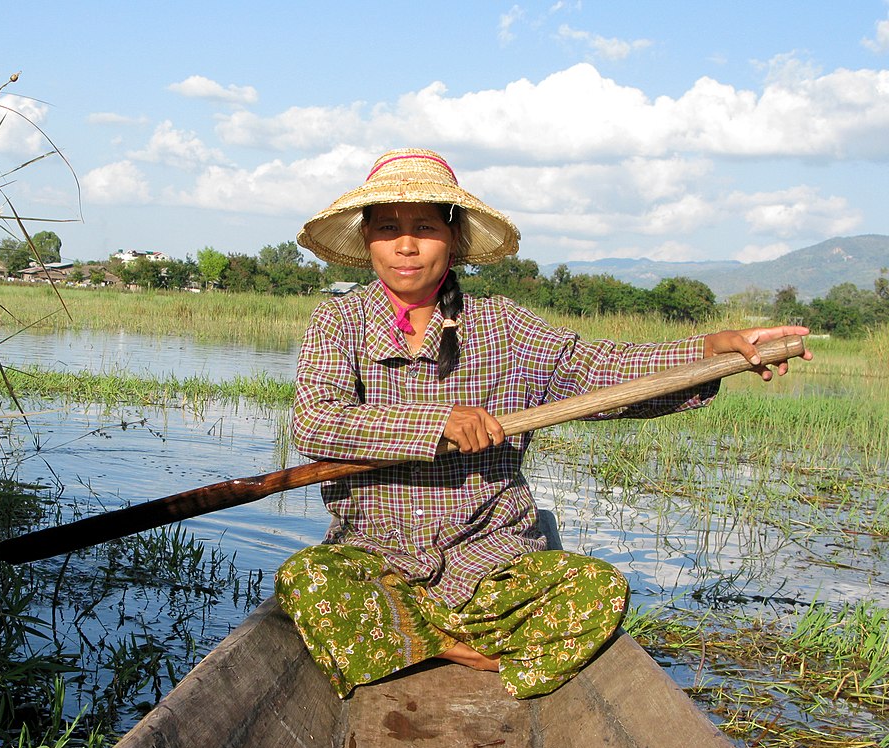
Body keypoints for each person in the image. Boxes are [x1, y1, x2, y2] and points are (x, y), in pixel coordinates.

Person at [276, 148, 810, 700]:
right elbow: (317, 422)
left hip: (489, 561)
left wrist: (707, 351)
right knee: (305, 578)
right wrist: (437, 421)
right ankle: (459, 645)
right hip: (376, 554)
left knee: (599, 589)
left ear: (454, 240)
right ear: (367, 240)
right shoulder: (337, 321)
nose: (406, 245)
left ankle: (411, 637)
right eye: (388, 228)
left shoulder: (502, 325)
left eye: (425, 228)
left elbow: (600, 370)